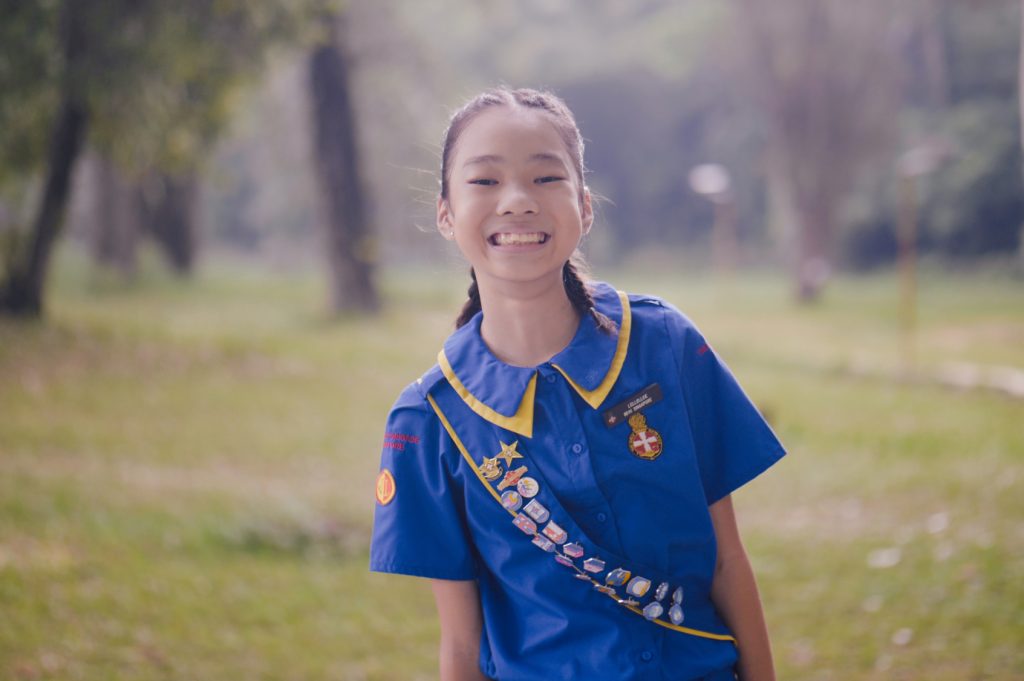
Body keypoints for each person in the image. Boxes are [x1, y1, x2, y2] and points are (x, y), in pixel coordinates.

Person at [370, 87, 785, 681]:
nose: (517, 202)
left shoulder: (665, 345)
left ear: (585, 207)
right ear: (445, 213)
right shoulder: (428, 421)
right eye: (484, 181)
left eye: (545, 178)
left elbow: (727, 563)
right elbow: (462, 648)